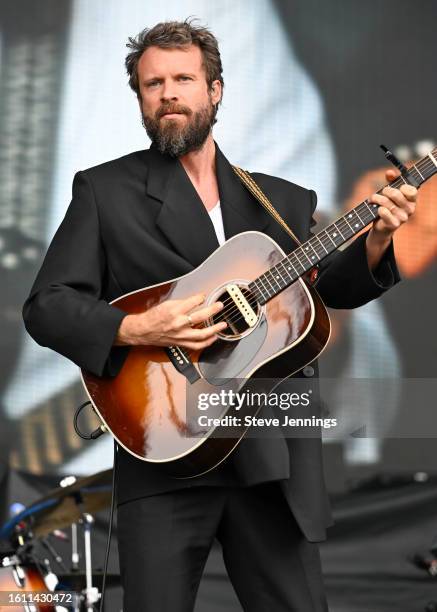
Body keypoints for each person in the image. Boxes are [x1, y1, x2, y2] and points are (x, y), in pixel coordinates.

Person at [22, 20, 417, 612]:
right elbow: (47, 306)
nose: (168, 94)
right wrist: (137, 327)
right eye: (152, 84)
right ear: (140, 99)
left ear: (216, 90)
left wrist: (380, 240)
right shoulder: (106, 192)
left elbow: (328, 291)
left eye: (183, 78)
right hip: (162, 448)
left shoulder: (282, 199)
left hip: (268, 451)